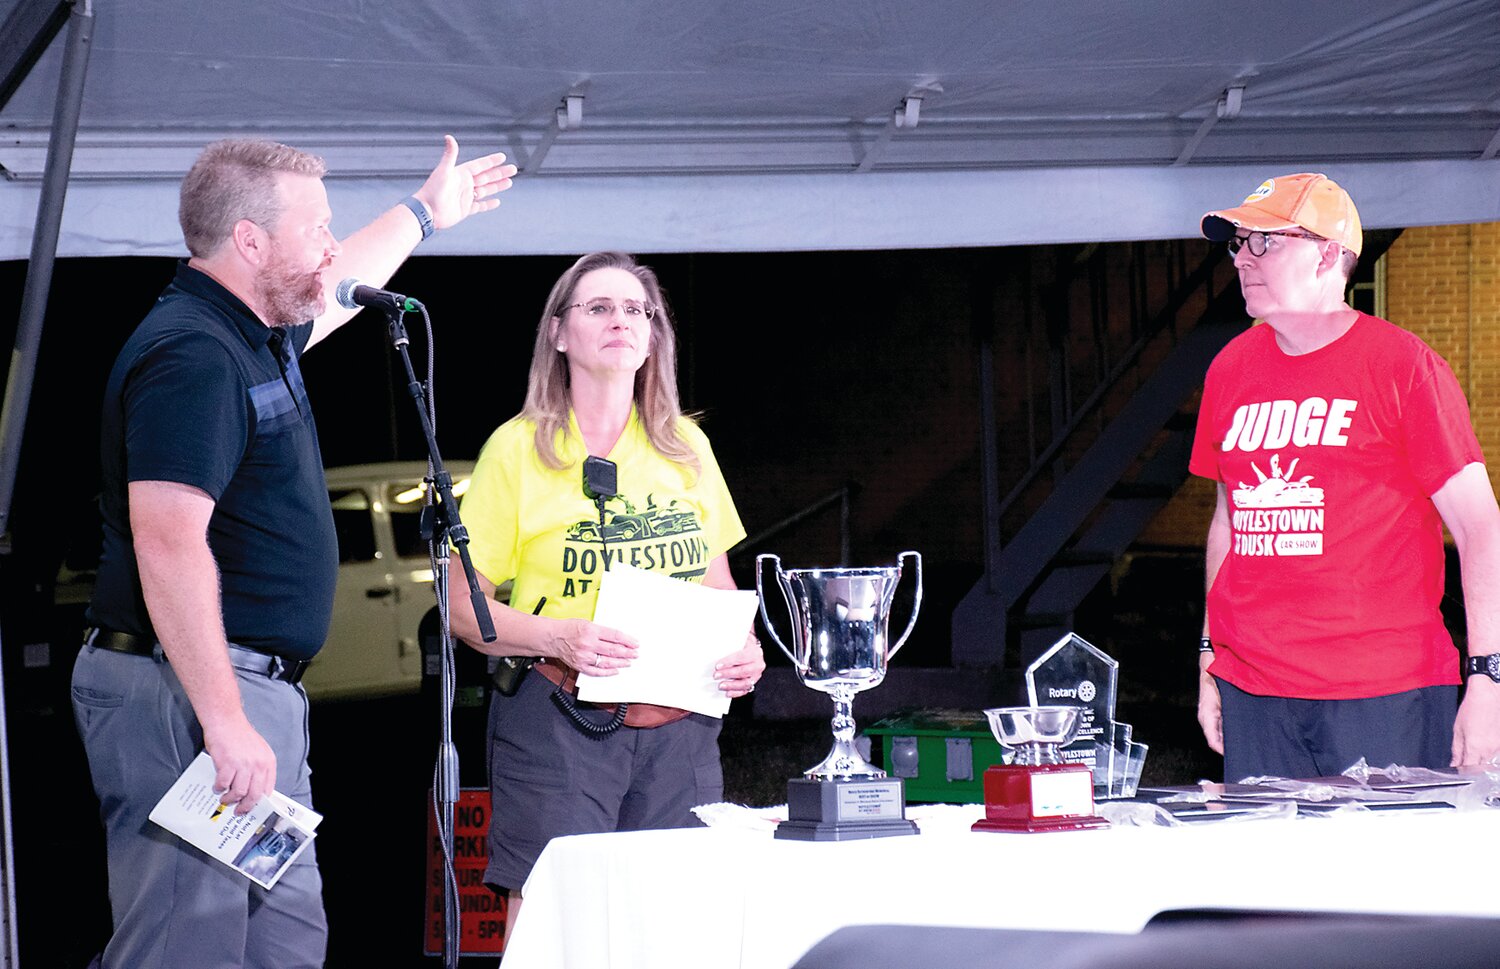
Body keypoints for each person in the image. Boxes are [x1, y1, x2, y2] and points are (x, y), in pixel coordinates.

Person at [73, 136, 516, 968]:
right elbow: (167, 543)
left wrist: (422, 213)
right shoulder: (192, 355)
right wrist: (225, 718)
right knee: (184, 945)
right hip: (191, 694)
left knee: (285, 937)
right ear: (249, 241)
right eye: (316, 227)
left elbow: (341, 283)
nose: (329, 245)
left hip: (249, 692)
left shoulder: (255, 331)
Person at [447, 251, 765, 927]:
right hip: (559, 718)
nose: (620, 319)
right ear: (559, 333)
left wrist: (747, 649)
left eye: (635, 309)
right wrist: (559, 634)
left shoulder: (686, 446)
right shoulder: (518, 448)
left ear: (652, 337)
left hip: (680, 727)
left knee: (677, 924)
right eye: (599, 306)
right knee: (556, 922)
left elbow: (718, 586)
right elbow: (460, 607)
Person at [1191, 172, 1500, 781]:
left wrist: (1488, 678)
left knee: (1381, 877)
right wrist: (1209, 659)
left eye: (1267, 242)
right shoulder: (1231, 368)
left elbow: (1480, 526)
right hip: (1255, 689)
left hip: (1385, 690)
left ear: (1330, 254)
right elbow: (1230, 521)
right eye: (1239, 243)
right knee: (1272, 874)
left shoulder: (1403, 367)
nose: (1244, 260)